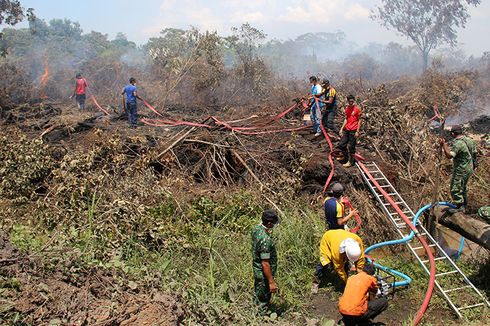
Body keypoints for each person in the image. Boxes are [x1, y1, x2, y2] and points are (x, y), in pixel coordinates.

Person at [312, 229, 365, 294]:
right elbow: (339, 268)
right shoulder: (337, 252)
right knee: (325, 263)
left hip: (341, 235)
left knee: (345, 264)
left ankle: (342, 280)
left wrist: (360, 275)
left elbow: (361, 260)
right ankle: (316, 282)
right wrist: (348, 283)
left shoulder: (358, 241)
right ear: (345, 252)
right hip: (328, 238)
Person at [439, 125, 477, 213]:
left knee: (455, 188)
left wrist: (443, 144)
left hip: (461, 169)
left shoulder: (458, 143)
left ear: (453, 134)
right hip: (469, 167)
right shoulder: (470, 140)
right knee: (463, 187)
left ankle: (460, 206)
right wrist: (474, 164)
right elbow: (475, 153)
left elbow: (449, 155)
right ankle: (464, 205)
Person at [251, 209, 280, 315]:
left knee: (258, 294)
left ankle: (256, 310)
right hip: (264, 274)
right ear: (269, 223)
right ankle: (261, 317)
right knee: (263, 300)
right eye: (273, 223)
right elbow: (265, 263)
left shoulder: (256, 229)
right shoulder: (265, 240)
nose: (274, 225)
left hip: (257, 270)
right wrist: (271, 281)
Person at [337, 95, 362, 168]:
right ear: (347, 101)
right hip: (347, 129)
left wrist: (357, 131)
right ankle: (345, 157)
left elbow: (360, 120)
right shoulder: (347, 108)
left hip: (353, 130)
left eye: (352, 101)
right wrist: (341, 128)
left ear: (354, 100)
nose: (351, 103)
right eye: (349, 101)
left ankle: (351, 161)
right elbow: (346, 119)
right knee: (342, 144)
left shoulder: (357, 109)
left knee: (351, 147)